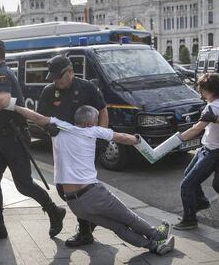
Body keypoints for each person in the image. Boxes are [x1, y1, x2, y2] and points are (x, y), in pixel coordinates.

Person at [15, 104, 175, 256]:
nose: (98, 123)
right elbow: (124, 138)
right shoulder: (93, 131)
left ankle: (154, 246)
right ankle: (158, 235)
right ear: (88, 123)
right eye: (96, 120)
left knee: (117, 227)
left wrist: (12, 105)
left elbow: (36, 116)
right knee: (129, 218)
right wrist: (139, 140)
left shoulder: (60, 128)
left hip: (74, 204)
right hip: (93, 194)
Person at [0, 39, 66, 240]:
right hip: (2, 138)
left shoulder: (1, 72)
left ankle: (54, 211)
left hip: (13, 137)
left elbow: (3, 100)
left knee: (23, 184)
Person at [37, 54, 109, 247]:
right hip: (62, 149)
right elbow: (41, 117)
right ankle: (91, 218)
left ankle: (85, 232)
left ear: (70, 72)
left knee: (80, 191)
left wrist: (101, 136)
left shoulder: (87, 88)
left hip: (84, 148)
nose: (55, 81)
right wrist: (47, 128)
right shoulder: (48, 91)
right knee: (63, 189)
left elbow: (103, 110)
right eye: (52, 78)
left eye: (58, 77)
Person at [172, 73, 219, 230]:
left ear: (209, 89)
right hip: (206, 148)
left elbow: (196, 129)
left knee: (187, 184)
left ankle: (190, 219)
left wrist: (175, 140)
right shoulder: (213, 104)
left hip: (213, 152)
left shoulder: (213, 107)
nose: (200, 91)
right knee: (188, 176)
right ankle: (201, 202)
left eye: (201, 88)